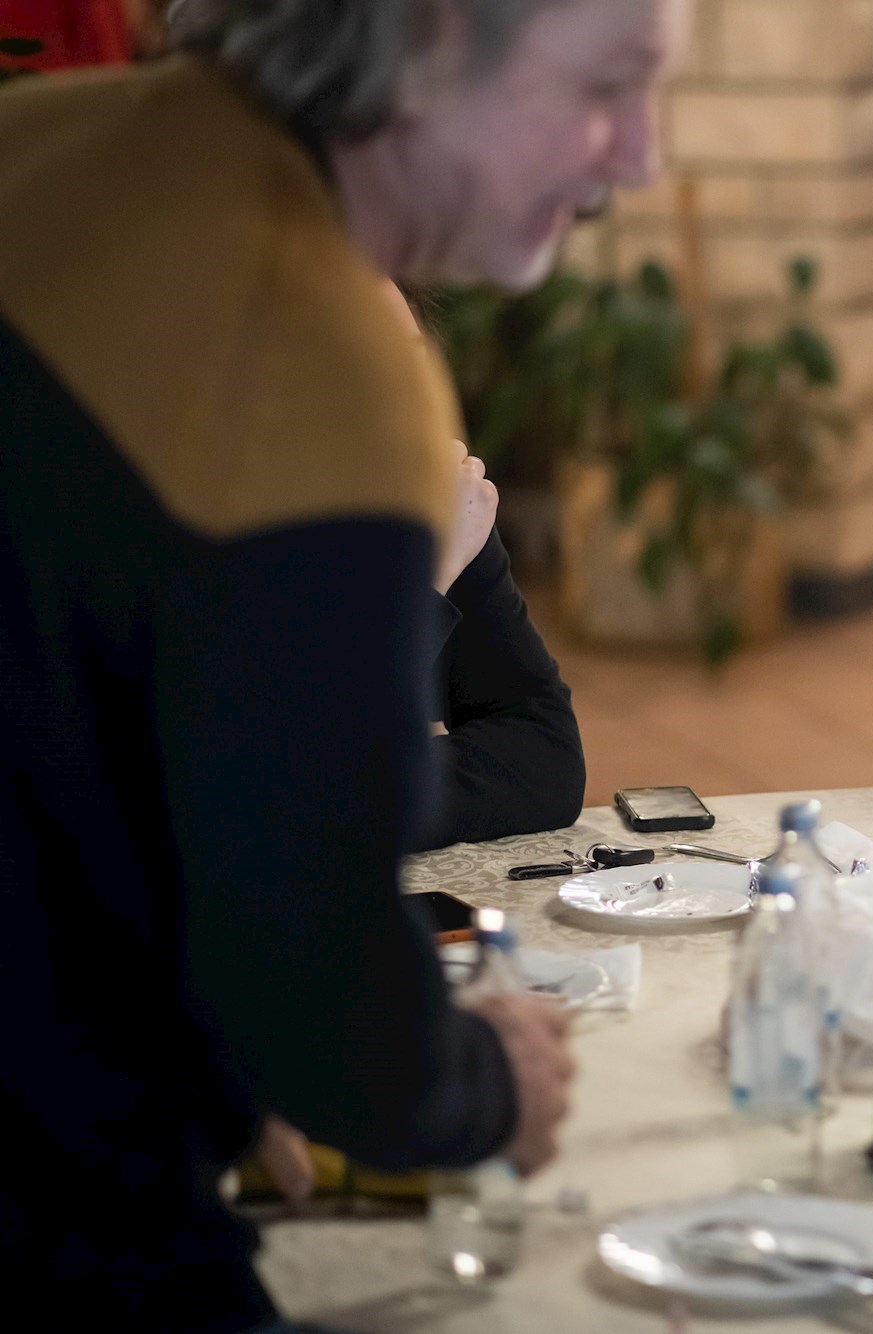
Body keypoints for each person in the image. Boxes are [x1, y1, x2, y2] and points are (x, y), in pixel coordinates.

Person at [0, 0, 676, 1326]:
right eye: (608, 86)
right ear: (427, 44)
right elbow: (322, 984)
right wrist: (483, 1077)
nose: (640, 157)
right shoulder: (317, 359)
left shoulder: (41, 145)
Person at [387, 288, 587, 851]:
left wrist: (378, 787)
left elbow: (545, 755)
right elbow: (277, 799)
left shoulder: (442, 502)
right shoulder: (219, 541)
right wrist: (424, 580)